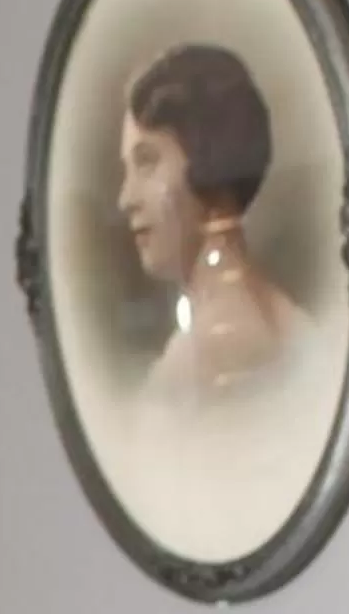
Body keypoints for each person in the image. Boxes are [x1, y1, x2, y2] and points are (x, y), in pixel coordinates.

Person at [117, 43, 317, 405]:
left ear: (210, 166)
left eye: (147, 162)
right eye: (127, 170)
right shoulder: (278, 316)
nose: (125, 199)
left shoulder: (219, 349)